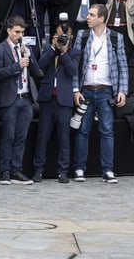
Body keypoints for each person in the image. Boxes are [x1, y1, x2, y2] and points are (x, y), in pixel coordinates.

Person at [72, 4, 127, 184]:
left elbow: (122, 65)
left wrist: (122, 91)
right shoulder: (82, 35)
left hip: (106, 90)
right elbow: (76, 64)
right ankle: (80, 168)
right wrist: (75, 89)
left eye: (92, 15)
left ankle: (108, 170)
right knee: (82, 131)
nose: (88, 17)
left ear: (101, 19)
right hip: (86, 89)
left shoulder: (115, 37)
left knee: (107, 131)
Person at [0, 16, 41, 186]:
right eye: (17, 32)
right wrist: (17, 65)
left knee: (21, 137)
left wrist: (30, 58)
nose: (20, 35)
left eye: (22, 32)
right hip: (9, 99)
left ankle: (16, 170)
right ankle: (5, 171)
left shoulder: (25, 49)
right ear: (9, 30)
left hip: (25, 98)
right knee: (9, 137)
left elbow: (37, 72)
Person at [32, 21, 80, 184]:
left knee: (64, 137)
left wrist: (64, 52)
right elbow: (39, 66)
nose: (61, 38)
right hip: (47, 98)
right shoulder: (47, 49)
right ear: (54, 36)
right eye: (59, 35)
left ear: (71, 37)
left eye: (64, 36)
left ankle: (63, 171)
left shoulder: (74, 52)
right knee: (42, 136)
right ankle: (38, 170)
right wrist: (53, 49)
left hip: (64, 99)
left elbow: (72, 71)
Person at [105, 0, 134, 94]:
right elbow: (105, 10)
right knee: (110, 61)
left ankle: (124, 92)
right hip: (110, 27)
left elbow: (132, 10)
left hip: (125, 29)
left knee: (124, 61)